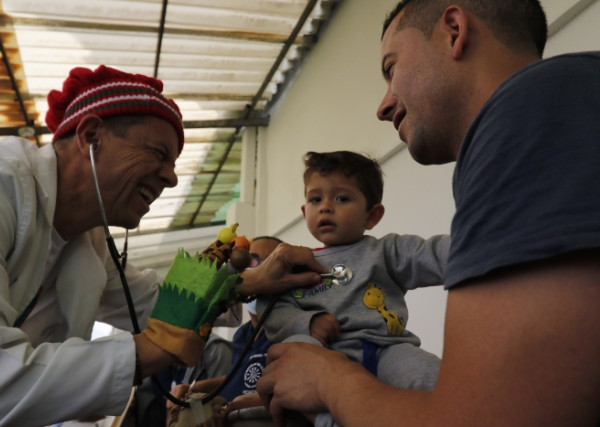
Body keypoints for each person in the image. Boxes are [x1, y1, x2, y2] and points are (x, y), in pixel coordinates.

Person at [256, 1, 600, 425]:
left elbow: (481, 419)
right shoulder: (557, 107)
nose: (382, 106)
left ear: (454, 31)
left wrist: (329, 379)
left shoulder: (529, 107)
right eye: (315, 199)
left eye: (391, 67)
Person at [0, 65, 325, 426]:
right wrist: (150, 349)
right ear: (91, 136)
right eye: (159, 152)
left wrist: (251, 281)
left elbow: (159, 302)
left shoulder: (89, 243)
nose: (171, 176)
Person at [259, 151, 448, 426]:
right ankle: (326, 420)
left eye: (341, 198)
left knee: (435, 378)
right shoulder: (294, 265)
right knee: (294, 348)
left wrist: (480, 243)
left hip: (387, 350)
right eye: (315, 199)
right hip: (324, 357)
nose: (325, 207)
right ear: (304, 212)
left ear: (371, 215)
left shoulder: (385, 251)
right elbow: (272, 309)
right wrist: (306, 322)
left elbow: (431, 253)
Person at [167, 236, 284, 424]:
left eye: (268, 263)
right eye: (251, 262)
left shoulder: (287, 332)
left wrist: (240, 403)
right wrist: (195, 387)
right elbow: (235, 377)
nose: (256, 271)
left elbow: (294, 391)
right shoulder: (243, 334)